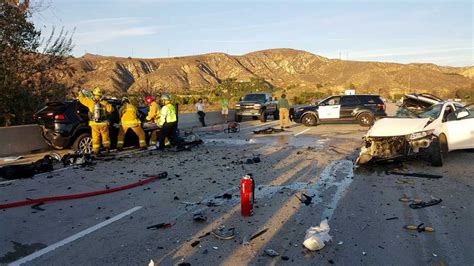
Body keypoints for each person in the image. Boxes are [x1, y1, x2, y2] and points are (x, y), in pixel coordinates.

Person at [78, 87, 113, 154]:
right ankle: (107, 148)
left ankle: (96, 151)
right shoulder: (104, 102)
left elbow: (81, 100)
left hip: (94, 123)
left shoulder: (90, 101)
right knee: (105, 136)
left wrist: (80, 93)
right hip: (103, 123)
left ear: (94, 94)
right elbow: (111, 110)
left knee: (95, 137)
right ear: (100, 95)